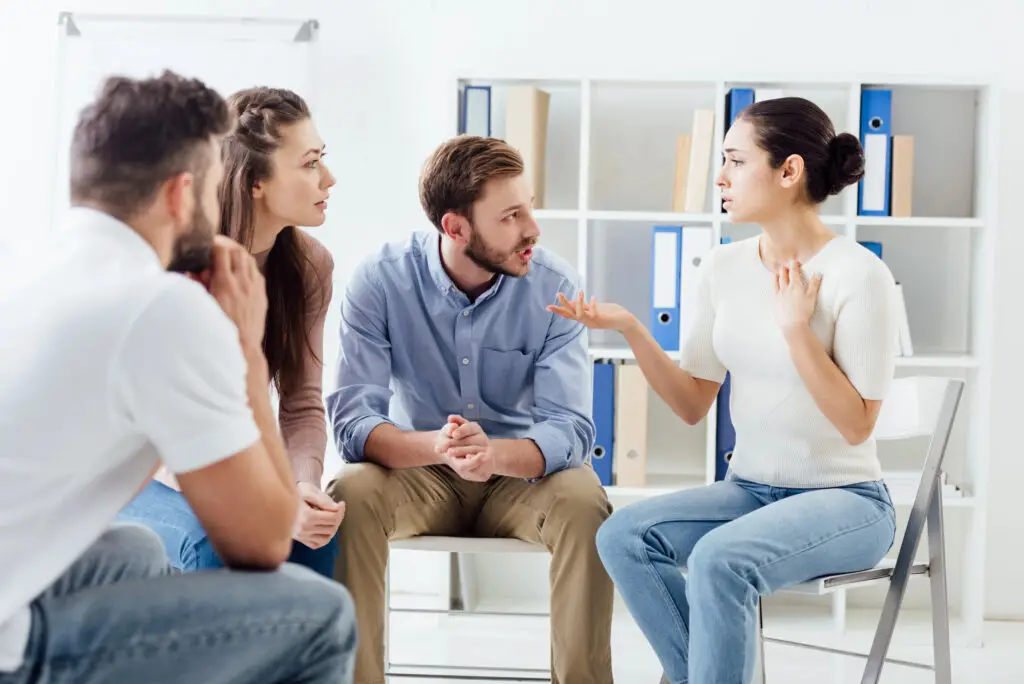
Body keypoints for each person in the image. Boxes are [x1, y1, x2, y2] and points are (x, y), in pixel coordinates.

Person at [0, 71, 356, 684]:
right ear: (180, 194)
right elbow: (265, 540)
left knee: (133, 551)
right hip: (11, 641)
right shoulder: (161, 303)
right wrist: (246, 351)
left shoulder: (37, 274)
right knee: (324, 615)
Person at [549, 97, 899, 684]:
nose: (720, 177)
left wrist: (796, 330)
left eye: (736, 161)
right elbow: (692, 403)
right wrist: (632, 328)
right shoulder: (721, 267)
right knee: (624, 536)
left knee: (720, 559)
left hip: (848, 502)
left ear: (789, 172)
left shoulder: (858, 274)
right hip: (750, 491)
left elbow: (857, 424)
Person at [325, 135, 614, 684]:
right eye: (511, 216)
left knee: (584, 499)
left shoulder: (554, 285)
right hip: (419, 473)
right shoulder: (379, 281)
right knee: (352, 491)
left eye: (528, 206)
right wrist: (437, 446)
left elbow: (571, 428)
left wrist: (494, 455)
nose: (532, 228)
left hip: (519, 478)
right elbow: (353, 421)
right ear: (455, 228)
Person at [117, 86, 344, 577]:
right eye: (309, 164)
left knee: (318, 544)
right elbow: (155, 425)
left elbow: (302, 403)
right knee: (218, 546)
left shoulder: (310, 267)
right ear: (256, 183)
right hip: (141, 474)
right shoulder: (174, 261)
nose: (329, 178)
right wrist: (262, 499)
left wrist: (302, 487)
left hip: (233, 470)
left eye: (322, 159)